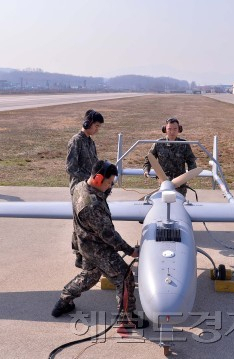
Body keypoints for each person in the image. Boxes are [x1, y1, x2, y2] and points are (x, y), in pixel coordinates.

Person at [52, 161, 147, 328]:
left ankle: (64, 300)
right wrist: (130, 250)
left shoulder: (80, 186)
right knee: (125, 277)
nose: (110, 186)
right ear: (97, 179)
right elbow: (108, 235)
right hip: (97, 248)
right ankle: (127, 318)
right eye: (108, 182)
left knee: (90, 275)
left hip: (84, 241)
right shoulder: (92, 205)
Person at [66, 109, 104, 268]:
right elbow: (70, 167)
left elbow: (93, 164)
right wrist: (89, 180)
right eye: (96, 126)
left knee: (91, 223)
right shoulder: (76, 141)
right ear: (87, 123)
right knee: (80, 223)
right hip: (80, 188)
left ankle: (89, 253)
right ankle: (78, 254)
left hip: (91, 187)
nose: (97, 129)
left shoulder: (90, 141)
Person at [143, 117, 197, 197]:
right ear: (165, 130)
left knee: (178, 203)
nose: (172, 132)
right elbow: (149, 158)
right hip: (163, 183)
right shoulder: (158, 143)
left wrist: (190, 174)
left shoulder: (184, 144)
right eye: (169, 129)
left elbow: (191, 160)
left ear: (179, 129)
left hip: (179, 184)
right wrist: (146, 170)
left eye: (175, 129)